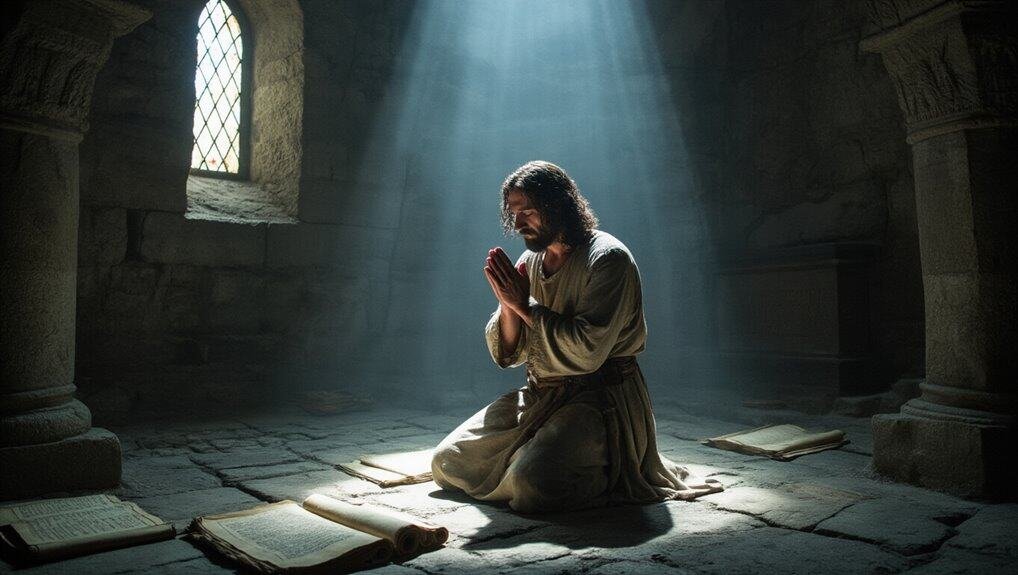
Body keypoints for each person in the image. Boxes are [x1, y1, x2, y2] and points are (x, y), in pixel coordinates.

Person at [431, 161, 721, 513]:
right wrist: (507, 305)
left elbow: (587, 352)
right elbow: (510, 353)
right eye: (514, 212)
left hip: (598, 399)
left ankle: (609, 467)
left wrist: (524, 306)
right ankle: (538, 454)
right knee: (447, 461)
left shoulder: (608, 259)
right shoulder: (532, 261)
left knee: (532, 485)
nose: (519, 223)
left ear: (559, 206)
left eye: (529, 211)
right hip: (541, 396)